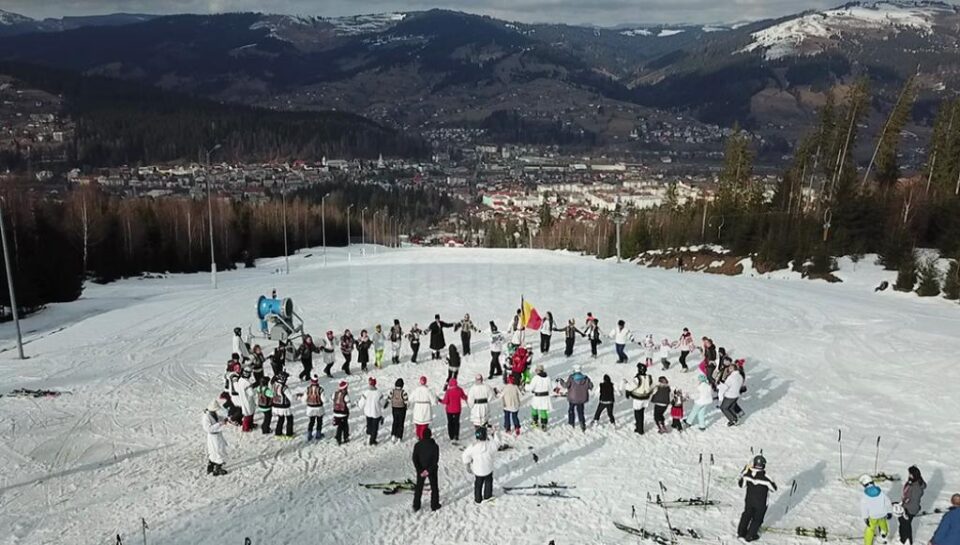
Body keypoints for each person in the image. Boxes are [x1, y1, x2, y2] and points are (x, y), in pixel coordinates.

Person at [737, 455, 777, 542]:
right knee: (757, 518)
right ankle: (750, 535)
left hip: (749, 500)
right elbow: (774, 489)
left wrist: (743, 472)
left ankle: (741, 532)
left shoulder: (747, 474)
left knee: (746, 515)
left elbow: (741, 485)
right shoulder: (766, 477)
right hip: (761, 502)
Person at [462, 426, 501, 504]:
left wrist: (467, 464)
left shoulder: (473, 447)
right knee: (488, 482)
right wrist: (495, 433)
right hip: (488, 469)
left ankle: (478, 499)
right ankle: (487, 496)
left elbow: (465, 455)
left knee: (478, 484)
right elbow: (497, 443)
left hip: (478, 471)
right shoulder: (490, 445)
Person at [412, 427, 441, 512]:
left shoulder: (418, 445)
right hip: (432, 470)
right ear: (430, 435)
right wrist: (428, 470)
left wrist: (420, 470)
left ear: (422, 435)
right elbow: (435, 460)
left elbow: (415, 459)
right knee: (434, 487)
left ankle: (416, 505)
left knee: (419, 487)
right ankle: (434, 504)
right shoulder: (435, 446)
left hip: (421, 469)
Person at [860, 474, 893, 545]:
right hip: (882, 514)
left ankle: (868, 543)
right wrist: (889, 511)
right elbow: (887, 502)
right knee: (883, 523)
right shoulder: (880, 492)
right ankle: (884, 532)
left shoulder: (865, 496)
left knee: (870, 529)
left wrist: (865, 517)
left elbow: (864, 508)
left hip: (873, 516)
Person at [899, 465, 926, 545]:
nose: (909, 475)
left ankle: (907, 540)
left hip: (910, 509)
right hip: (906, 506)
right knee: (903, 523)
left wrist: (905, 504)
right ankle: (903, 539)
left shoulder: (916, 487)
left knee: (906, 525)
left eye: (910, 474)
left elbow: (914, 500)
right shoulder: (912, 482)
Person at [203, 397, 229, 476]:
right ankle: (217, 469)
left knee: (216, 451)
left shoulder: (213, 414)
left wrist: (224, 419)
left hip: (217, 435)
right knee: (217, 451)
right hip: (213, 437)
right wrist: (220, 424)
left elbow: (218, 418)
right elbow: (208, 428)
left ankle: (211, 466)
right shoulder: (206, 417)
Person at [625, 364, 654, 434]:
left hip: (638, 399)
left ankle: (639, 428)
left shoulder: (638, 378)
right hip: (645, 399)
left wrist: (626, 385)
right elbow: (651, 387)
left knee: (637, 413)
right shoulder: (649, 377)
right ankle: (640, 425)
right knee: (641, 413)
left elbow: (630, 387)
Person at [564, 365, 593, 431]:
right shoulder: (586, 378)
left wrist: (562, 382)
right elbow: (591, 386)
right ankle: (582, 423)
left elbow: (566, 385)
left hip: (573, 398)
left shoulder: (571, 378)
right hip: (582, 398)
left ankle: (571, 423)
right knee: (580, 411)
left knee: (571, 410)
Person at [359, 376, 387, 445]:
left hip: (368, 413)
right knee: (375, 427)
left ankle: (369, 434)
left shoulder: (366, 393)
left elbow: (361, 404)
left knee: (369, 425)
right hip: (376, 413)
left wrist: (358, 404)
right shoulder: (378, 393)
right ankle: (372, 440)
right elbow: (383, 404)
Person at [718, 361, 745, 426]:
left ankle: (733, 420)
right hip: (736, 395)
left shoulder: (731, 377)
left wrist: (719, 386)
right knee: (731, 407)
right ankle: (735, 418)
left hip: (730, 395)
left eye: (730, 368)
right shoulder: (740, 376)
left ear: (733, 369)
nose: (729, 369)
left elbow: (725, 387)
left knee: (723, 408)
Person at [529, 364, 552, 430]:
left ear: (538, 370)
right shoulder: (548, 378)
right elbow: (550, 388)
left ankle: (535, 422)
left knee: (534, 409)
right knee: (543, 410)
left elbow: (531, 387)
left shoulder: (536, 378)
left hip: (537, 397)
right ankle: (544, 425)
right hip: (545, 397)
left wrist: (526, 387)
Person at [272, 372, 294, 438]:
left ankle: (278, 433)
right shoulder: (284, 387)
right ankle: (289, 434)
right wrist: (298, 396)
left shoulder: (274, 384)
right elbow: (291, 398)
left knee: (280, 419)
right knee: (290, 419)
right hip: (284, 406)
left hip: (276, 405)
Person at [236, 367, 257, 432]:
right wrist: (255, 389)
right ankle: (246, 428)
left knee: (248, 413)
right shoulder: (247, 383)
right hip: (248, 400)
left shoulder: (240, 380)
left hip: (242, 398)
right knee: (248, 414)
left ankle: (250, 425)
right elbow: (251, 393)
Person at [389, 378, 409, 442]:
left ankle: (393, 435)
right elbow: (406, 401)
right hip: (401, 409)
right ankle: (399, 436)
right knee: (401, 423)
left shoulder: (392, 391)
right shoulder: (403, 392)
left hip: (394, 408)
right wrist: (407, 407)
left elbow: (389, 398)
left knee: (395, 421)